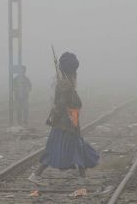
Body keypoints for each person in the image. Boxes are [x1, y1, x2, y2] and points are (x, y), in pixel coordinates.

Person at [28, 52, 99, 187]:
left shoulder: (65, 83)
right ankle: (81, 178)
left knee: (67, 148)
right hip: (67, 123)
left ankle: (36, 175)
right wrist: (63, 114)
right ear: (72, 70)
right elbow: (61, 104)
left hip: (68, 122)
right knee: (75, 147)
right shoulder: (65, 84)